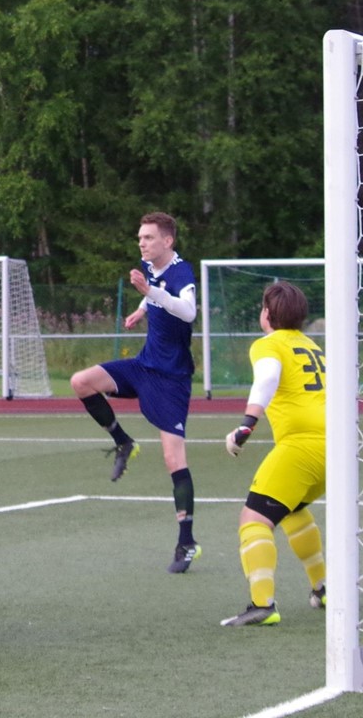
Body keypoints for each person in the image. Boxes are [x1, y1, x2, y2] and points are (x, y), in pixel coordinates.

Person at [69, 211, 200, 574]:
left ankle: (187, 542)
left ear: (167, 241)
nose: (141, 243)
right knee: (81, 381)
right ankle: (124, 442)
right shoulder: (151, 268)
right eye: (140, 237)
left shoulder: (181, 272)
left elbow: (188, 312)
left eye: (148, 238)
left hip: (171, 379)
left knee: (174, 459)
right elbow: (154, 293)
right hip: (144, 367)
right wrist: (141, 309)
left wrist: (149, 293)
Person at [220, 281, 326, 627]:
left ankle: (261, 604)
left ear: (267, 313)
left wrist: (246, 425)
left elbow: (266, 378)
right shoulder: (313, 346)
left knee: (253, 520)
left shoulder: (269, 344)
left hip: (302, 446)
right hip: (334, 447)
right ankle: (323, 588)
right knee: (293, 511)